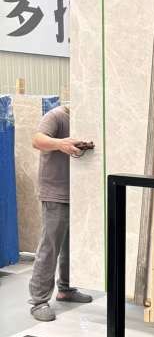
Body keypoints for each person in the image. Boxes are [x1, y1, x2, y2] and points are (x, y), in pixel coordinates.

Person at [29, 104, 92, 322]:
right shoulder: (56, 116)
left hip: (77, 193)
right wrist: (60, 144)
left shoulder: (85, 117)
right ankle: (38, 301)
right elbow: (37, 140)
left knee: (70, 246)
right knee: (50, 246)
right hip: (55, 193)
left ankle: (66, 288)